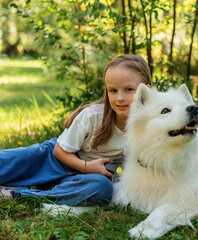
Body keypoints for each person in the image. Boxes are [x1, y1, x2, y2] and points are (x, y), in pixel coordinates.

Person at [0, 54, 152, 206]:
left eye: (129, 89)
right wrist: (86, 166)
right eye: (113, 90)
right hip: (54, 160)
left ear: (145, 91)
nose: (120, 97)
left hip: (87, 178)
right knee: (7, 162)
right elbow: (59, 151)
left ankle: (16, 193)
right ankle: (41, 184)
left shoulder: (152, 126)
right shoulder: (93, 116)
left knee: (102, 189)